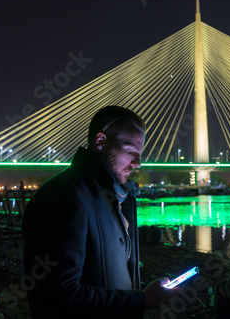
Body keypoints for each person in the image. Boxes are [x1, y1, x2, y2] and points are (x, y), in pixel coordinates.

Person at [22, 106, 177, 318]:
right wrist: (143, 299)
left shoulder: (109, 197)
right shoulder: (63, 196)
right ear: (101, 141)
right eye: (130, 151)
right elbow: (57, 297)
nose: (138, 164)